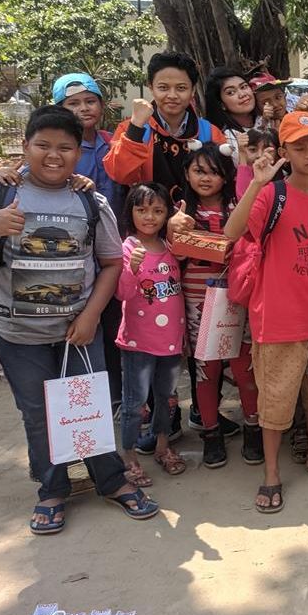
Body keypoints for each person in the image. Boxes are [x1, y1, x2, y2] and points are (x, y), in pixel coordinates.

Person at [0, 106, 158, 535]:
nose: (54, 155)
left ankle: (111, 481)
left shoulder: (88, 200)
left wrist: (92, 314)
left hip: (77, 331)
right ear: (26, 147)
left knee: (88, 407)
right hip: (17, 333)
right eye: (43, 145)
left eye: (66, 147)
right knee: (37, 413)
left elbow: (111, 263)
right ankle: (52, 489)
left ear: (79, 153)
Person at [224, 111, 308, 514]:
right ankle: (272, 473)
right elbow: (231, 232)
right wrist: (257, 183)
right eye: (301, 147)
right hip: (277, 317)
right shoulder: (271, 194)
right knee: (275, 400)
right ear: (285, 152)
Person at [0, 72, 127, 403]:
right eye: (73, 103)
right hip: (58, 264)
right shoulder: (46, 153)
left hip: (112, 256)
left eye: (90, 100)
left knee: (114, 335)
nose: (83, 108)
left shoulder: (116, 143)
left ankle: (119, 406)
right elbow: (30, 173)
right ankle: (93, 409)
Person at [167, 143, 261, 467]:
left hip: (237, 298)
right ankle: (211, 433)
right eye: (198, 171)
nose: (206, 178)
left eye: (214, 171)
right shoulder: (180, 212)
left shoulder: (239, 204)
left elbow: (246, 247)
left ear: (227, 175)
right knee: (206, 372)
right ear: (187, 174)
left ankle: (253, 428)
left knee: (244, 368)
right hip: (197, 301)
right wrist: (177, 232)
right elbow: (177, 253)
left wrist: (208, 245)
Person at [115, 182, 186, 487]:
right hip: (137, 343)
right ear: (130, 212)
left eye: (157, 210)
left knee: (165, 398)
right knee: (134, 403)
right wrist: (131, 268)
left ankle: (161, 446)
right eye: (142, 209)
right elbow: (122, 294)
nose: (150, 217)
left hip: (170, 342)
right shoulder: (129, 247)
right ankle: (128, 455)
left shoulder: (171, 247)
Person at [104, 51, 226, 203]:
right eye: (163, 88)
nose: (172, 95)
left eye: (181, 88)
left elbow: (224, 180)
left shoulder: (210, 132)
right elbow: (120, 174)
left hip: (198, 222)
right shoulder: (132, 128)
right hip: (150, 221)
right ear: (151, 87)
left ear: (193, 90)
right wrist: (135, 128)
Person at [205, 66, 261, 162]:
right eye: (231, 92)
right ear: (222, 104)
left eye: (244, 87)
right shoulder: (225, 138)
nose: (242, 94)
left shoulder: (267, 119)